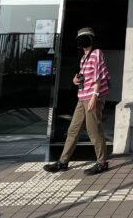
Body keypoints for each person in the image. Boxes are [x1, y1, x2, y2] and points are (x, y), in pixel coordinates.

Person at [43, 27, 110, 174]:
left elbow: (98, 76)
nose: (81, 40)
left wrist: (94, 96)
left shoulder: (97, 53)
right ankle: (63, 162)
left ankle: (102, 162)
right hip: (82, 98)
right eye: (79, 38)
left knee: (94, 130)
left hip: (93, 97)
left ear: (91, 38)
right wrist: (75, 80)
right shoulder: (83, 58)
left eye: (84, 37)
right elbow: (84, 77)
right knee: (73, 130)